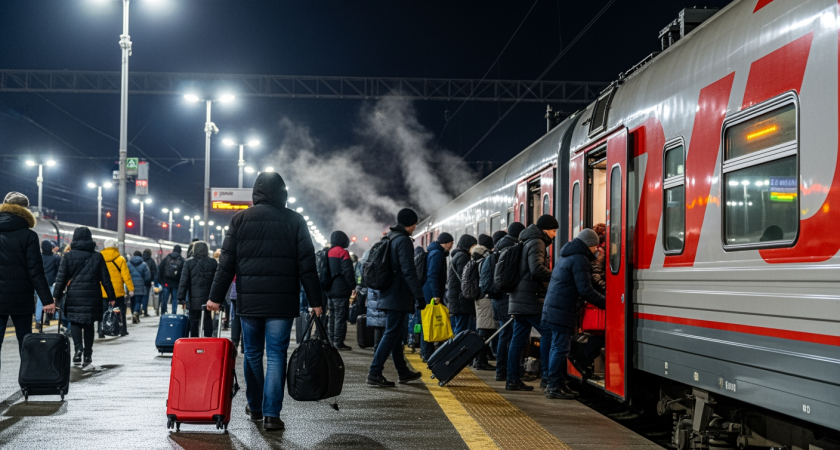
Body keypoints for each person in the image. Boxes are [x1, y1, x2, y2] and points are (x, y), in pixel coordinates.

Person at [207, 172, 323, 432]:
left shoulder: (240, 220)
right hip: (282, 304)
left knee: (253, 354)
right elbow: (307, 266)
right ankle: (272, 415)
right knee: (276, 355)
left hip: (249, 301)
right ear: (283, 192)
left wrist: (215, 297)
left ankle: (255, 407)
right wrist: (316, 300)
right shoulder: (295, 220)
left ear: (256, 192)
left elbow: (226, 264)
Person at [542, 228, 606, 399]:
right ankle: (553, 386)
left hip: (556, 307)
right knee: (560, 348)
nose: (596, 249)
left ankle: (559, 384)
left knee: (559, 347)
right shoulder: (580, 259)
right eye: (595, 246)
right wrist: (606, 303)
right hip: (562, 309)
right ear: (589, 245)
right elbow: (585, 290)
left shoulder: (567, 256)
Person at [366, 208, 425, 387]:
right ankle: (374, 373)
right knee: (392, 333)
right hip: (397, 295)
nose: (415, 227)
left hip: (387, 292)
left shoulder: (389, 238)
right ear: (411, 223)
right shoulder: (404, 241)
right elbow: (408, 270)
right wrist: (418, 295)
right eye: (415, 223)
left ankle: (403, 371)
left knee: (395, 333)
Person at [506, 215, 558, 391]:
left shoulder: (526, 239)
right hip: (530, 298)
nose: (554, 235)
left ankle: (512, 379)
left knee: (518, 340)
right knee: (548, 333)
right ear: (545, 230)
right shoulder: (537, 242)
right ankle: (547, 378)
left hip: (519, 298)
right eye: (553, 231)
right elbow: (536, 269)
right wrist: (557, 276)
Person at [0, 192, 55, 355]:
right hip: (21, 299)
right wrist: (47, 300)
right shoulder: (29, 235)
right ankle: (27, 379)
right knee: (26, 343)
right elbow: (36, 271)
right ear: (25, 210)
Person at [54, 227, 116, 364]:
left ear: (74, 239)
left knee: (75, 322)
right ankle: (88, 354)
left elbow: (61, 279)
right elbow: (106, 279)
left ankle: (78, 350)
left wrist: (55, 297)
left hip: (74, 295)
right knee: (89, 324)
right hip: (93, 295)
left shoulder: (68, 256)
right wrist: (111, 297)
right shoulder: (97, 256)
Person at [491, 224, 523, 382]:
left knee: (505, 335)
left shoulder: (500, 245)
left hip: (498, 296)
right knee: (507, 335)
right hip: (505, 297)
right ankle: (504, 371)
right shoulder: (510, 246)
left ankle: (502, 370)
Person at [420, 232, 453, 362]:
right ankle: (427, 354)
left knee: (428, 323)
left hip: (428, 292)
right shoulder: (438, 254)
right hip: (430, 294)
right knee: (430, 323)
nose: (451, 245)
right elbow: (432, 275)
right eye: (450, 243)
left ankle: (427, 353)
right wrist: (436, 295)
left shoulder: (434, 252)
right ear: (444, 243)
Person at [178, 241, 218, 337]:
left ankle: (194, 341)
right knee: (207, 319)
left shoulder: (188, 262)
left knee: (193, 320)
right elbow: (217, 281)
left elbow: (184, 281)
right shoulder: (213, 262)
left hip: (193, 299)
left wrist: (181, 298)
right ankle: (208, 340)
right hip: (208, 298)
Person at [325, 231, 357, 350]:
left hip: (329, 290)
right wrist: (353, 287)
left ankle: (330, 339)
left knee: (332, 315)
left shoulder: (327, 252)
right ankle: (338, 342)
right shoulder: (343, 252)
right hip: (341, 290)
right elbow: (347, 272)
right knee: (340, 317)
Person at [98, 239, 134, 337]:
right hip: (117, 291)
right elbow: (126, 275)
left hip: (102, 290)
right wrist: (130, 288)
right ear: (115, 247)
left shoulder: (99, 258)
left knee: (103, 311)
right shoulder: (120, 259)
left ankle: (101, 331)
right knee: (120, 311)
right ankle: (122, 330)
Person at [446, 234, 478, 335]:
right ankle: (458, 350)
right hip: (461, 300)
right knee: (461, 330)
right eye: (473, 245)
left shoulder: (458, 256)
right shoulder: (462, 257)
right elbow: (465, 277)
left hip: (458, 299)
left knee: (461, 329)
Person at [472, 243, 496, 371]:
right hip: (485, 299)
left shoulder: (476, 261)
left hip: (480, 300)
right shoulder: (484, 262)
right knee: (485, 332)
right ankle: (480, 360)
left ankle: (480, 360)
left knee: (484, 331)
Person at [40, 240, 61, 330]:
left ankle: (39, 320)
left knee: (40, 303)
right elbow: (57, 270)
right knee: (52, 300)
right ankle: (51, 316)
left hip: (40, 282)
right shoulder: (55, 258)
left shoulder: (39, 257)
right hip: (51, 282)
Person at [158, 245, 184, 315]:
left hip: (166, 282)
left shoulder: (167, 258)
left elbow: (160, 269)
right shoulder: (181, 260)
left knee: (165, 298)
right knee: (174, 299)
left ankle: (163, 312)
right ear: (180, 251)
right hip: (176, 283)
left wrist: (161, 281)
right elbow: (184, 273)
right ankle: (174, 312)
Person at [127, 251, 151, 324]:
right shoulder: (144, 264)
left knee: (132, 301)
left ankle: (133, 313)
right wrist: (145, 283)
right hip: (140, 285)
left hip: (130, 285)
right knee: (138, 301)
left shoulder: (128, 264)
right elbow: (147, 277)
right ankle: (135, 313)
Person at [141, 248, 158, 317]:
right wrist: (154, 281)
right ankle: (145, 311)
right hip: (147, 282)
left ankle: (137, 311)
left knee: (138, 297)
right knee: (146, 297)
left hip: (139, 282)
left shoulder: (141, 260)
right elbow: (154, 272)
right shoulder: (151, 261)